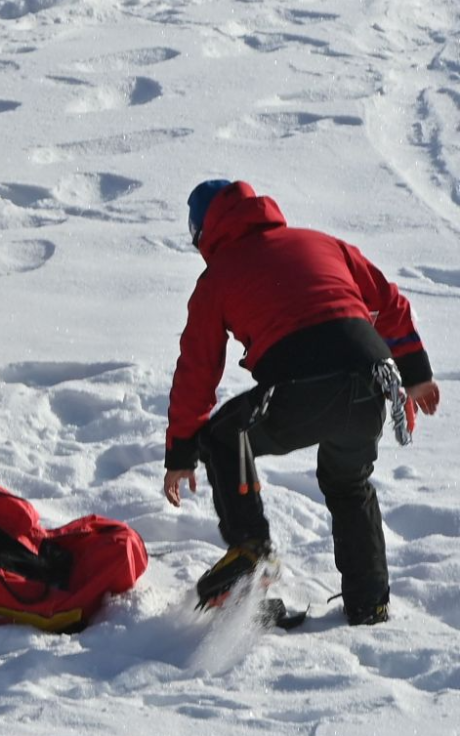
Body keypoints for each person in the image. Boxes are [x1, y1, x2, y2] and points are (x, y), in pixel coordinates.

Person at [161, 179, 439, 624]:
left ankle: (252, 547)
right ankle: (370, 606)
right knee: (349, 484)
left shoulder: (218, 276)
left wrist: (181, 453)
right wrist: (417, 374)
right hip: (371, 381)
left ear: (203, 234)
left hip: (301, 385)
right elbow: (388, 302)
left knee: (222, 435)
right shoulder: (321, 242)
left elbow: (198, 370)